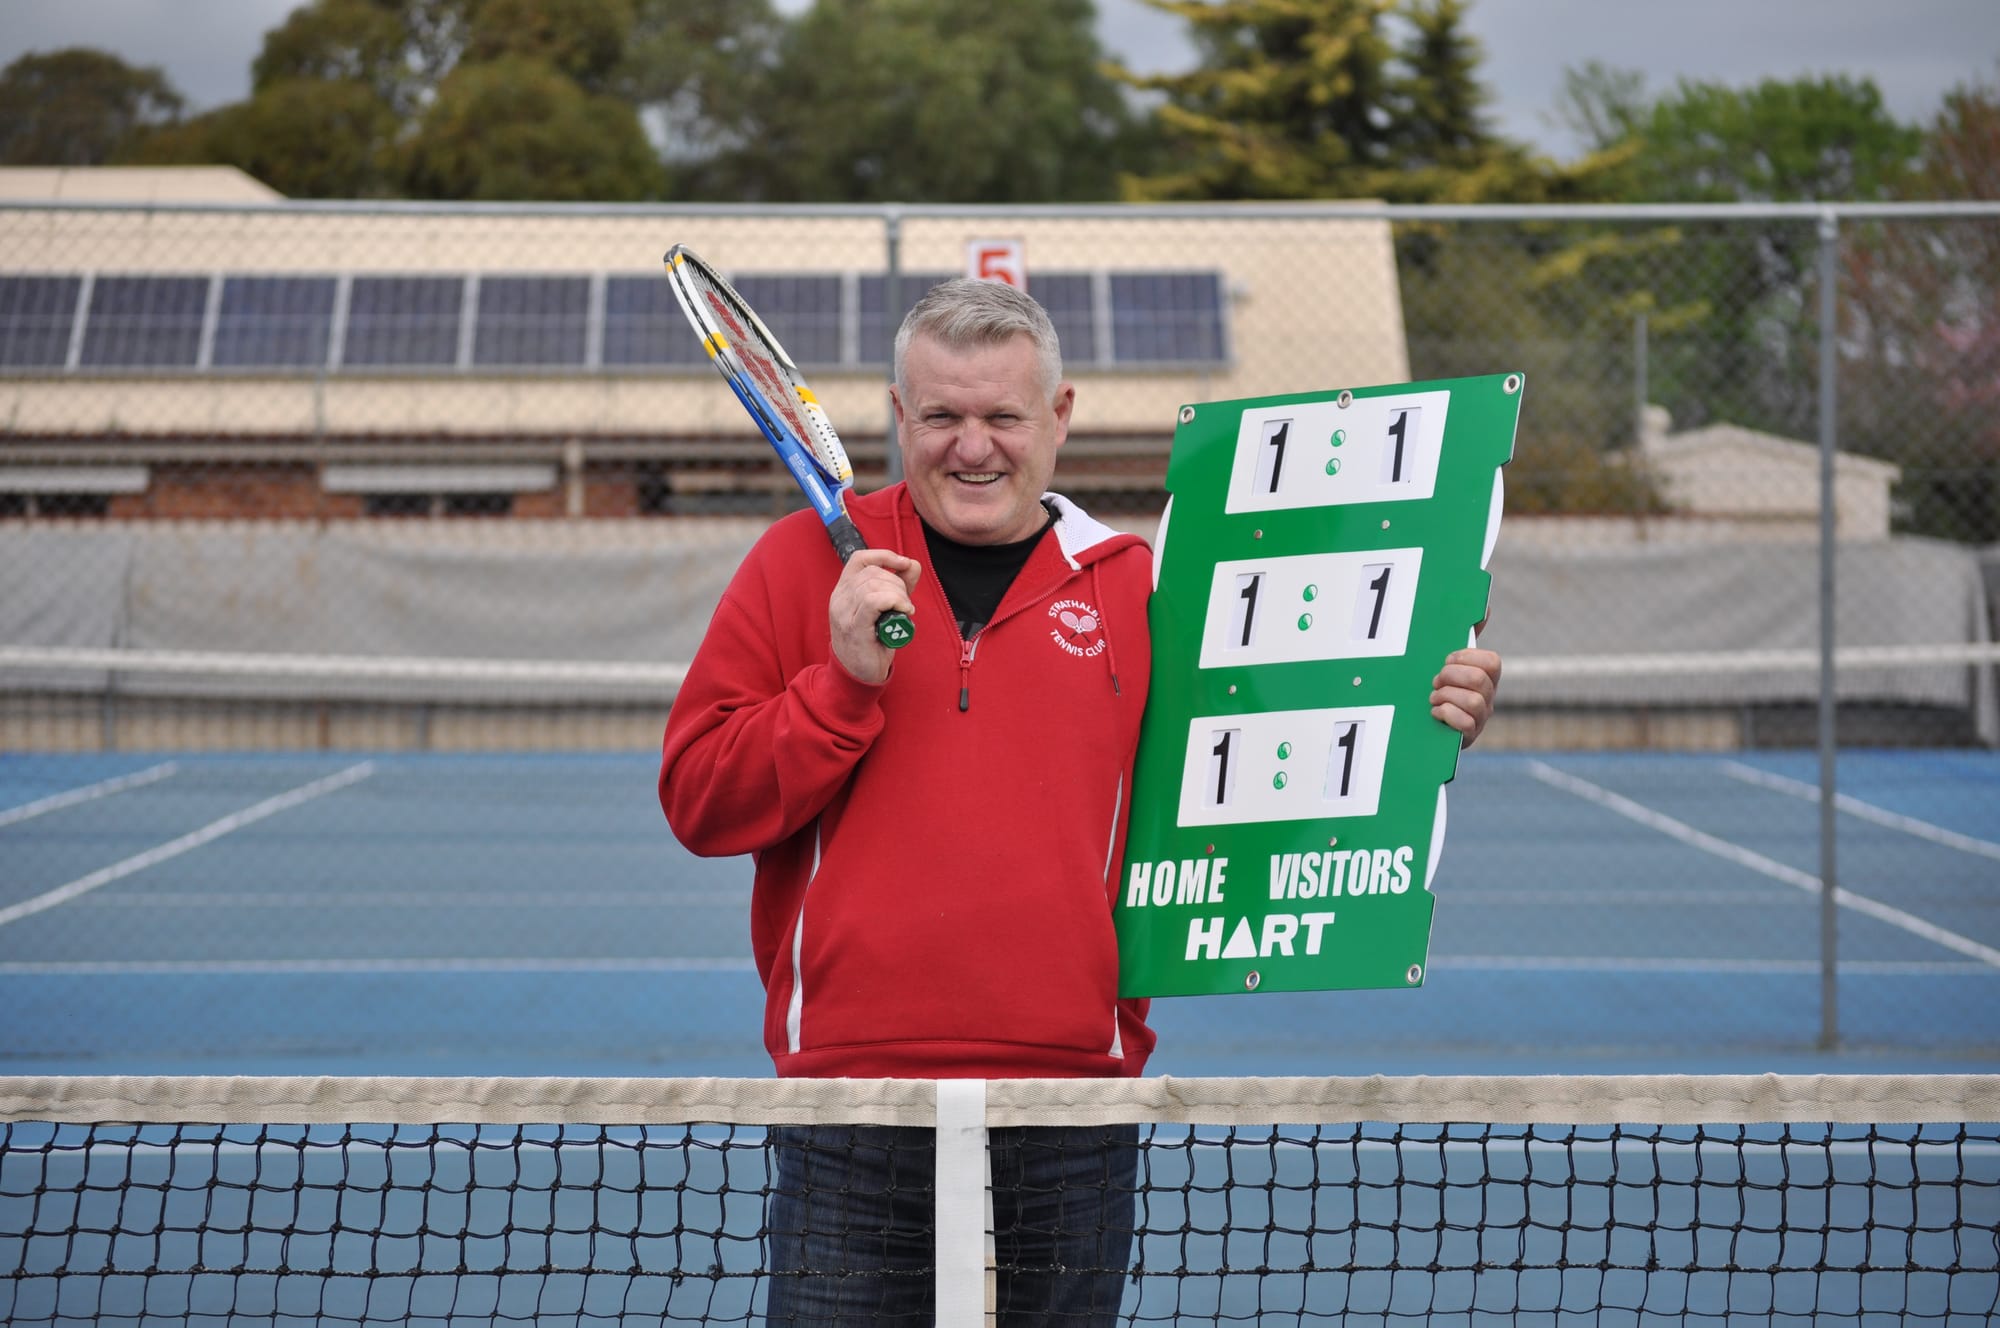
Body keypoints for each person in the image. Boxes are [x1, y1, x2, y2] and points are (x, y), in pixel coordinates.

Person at [658, 278, 1502, 1325]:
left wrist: (1425, 707)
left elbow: (1273, 758)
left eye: (1003, 415)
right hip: (853, 1099)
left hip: (1071, 1102)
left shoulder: (1138, 587)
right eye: (943, 416)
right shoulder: (799, 565)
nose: (973, 446)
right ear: (897, 415)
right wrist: (838, 680)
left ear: (1057, 417)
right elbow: (699, 801)